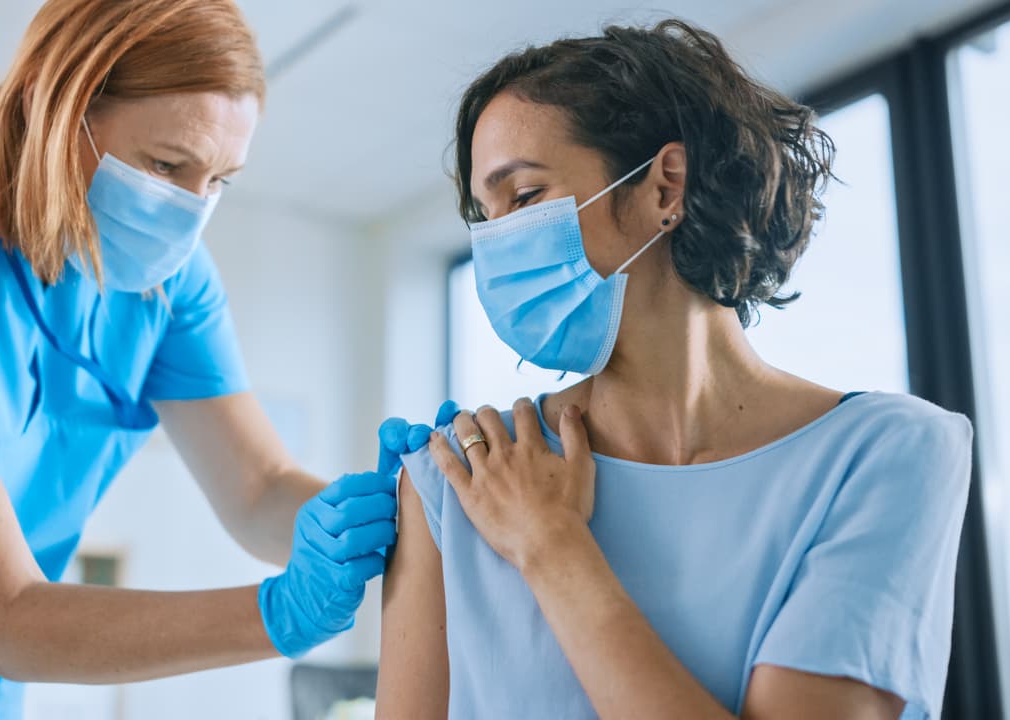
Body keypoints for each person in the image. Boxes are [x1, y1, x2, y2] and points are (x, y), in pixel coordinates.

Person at [0, 1, 446, 717]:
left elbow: (258, 489)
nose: (190, 211)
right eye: (166, 165)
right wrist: (280, 614)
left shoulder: (170, 282)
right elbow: (3, 612)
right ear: (52, 108)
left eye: (219, 180)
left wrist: (403, 519)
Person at [377, 19, 973, 720]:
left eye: (526, 197)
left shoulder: (883, 453)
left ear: (665, 186)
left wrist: (552, 546)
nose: (497, 242)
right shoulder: (459, 479)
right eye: (486, 215)